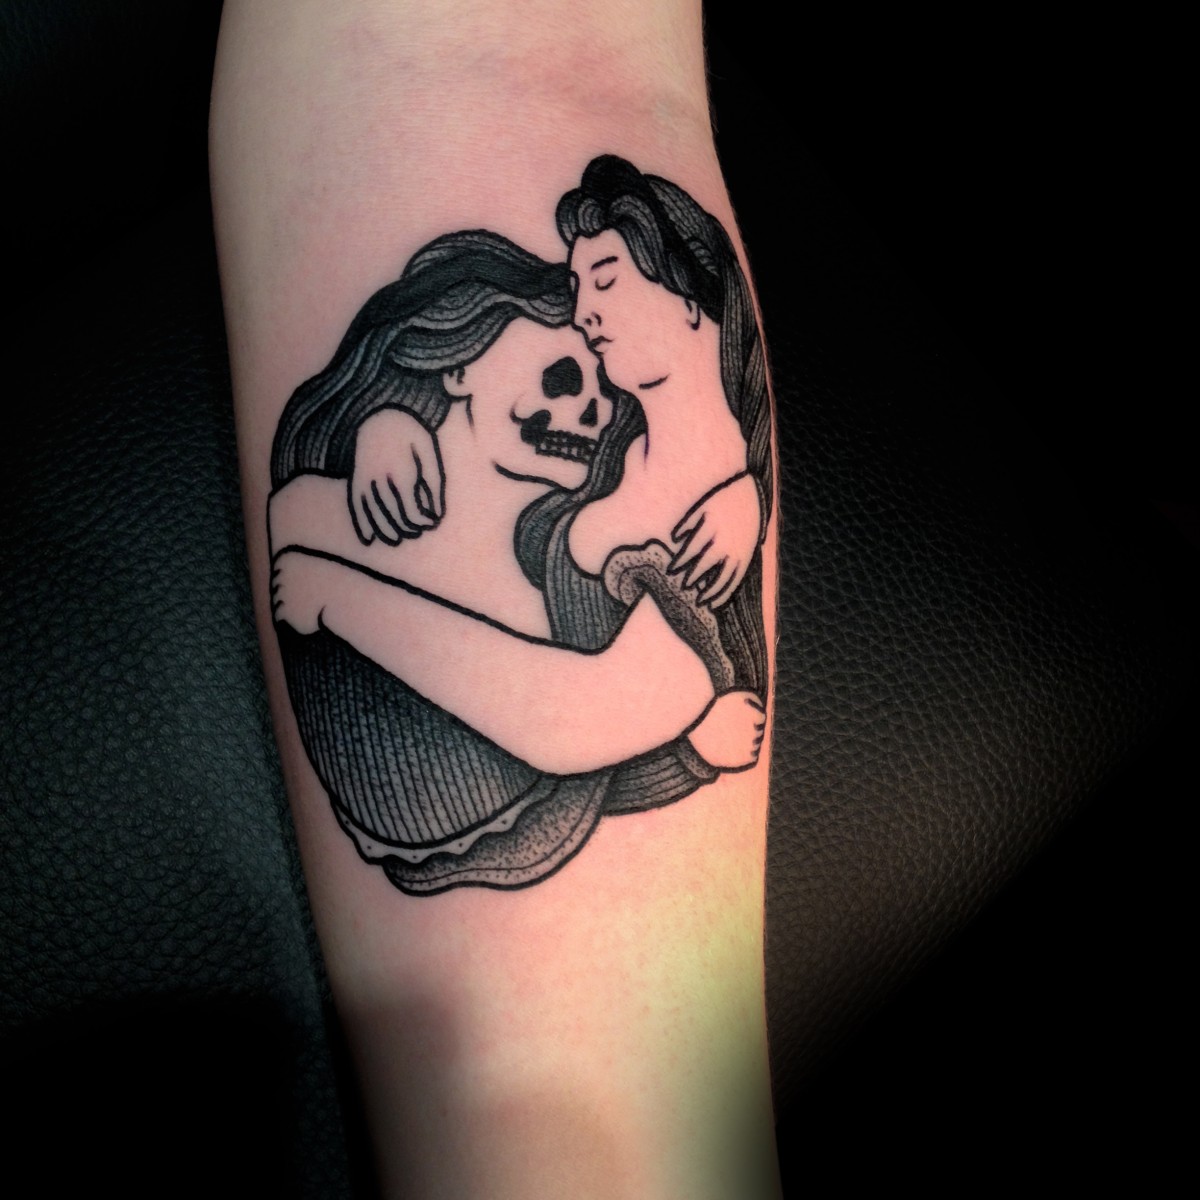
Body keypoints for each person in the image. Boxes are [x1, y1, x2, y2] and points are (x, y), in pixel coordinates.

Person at [270, 229, 764, 894]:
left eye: (605, 396)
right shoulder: (318, 507)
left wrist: (338, 598)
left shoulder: (563, 560)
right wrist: (384, 421)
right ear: (459, 365)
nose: (591, 413)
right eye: (560, 378)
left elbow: (575, 716)